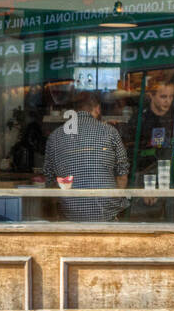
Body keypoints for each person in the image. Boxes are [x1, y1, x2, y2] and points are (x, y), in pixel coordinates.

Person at [43, 90, 130, 222]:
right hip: (106, 213)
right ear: (97, 109)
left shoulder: (55, 136)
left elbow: (49, 180)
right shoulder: (110, 132)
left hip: (70, 214)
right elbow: (122, 174)